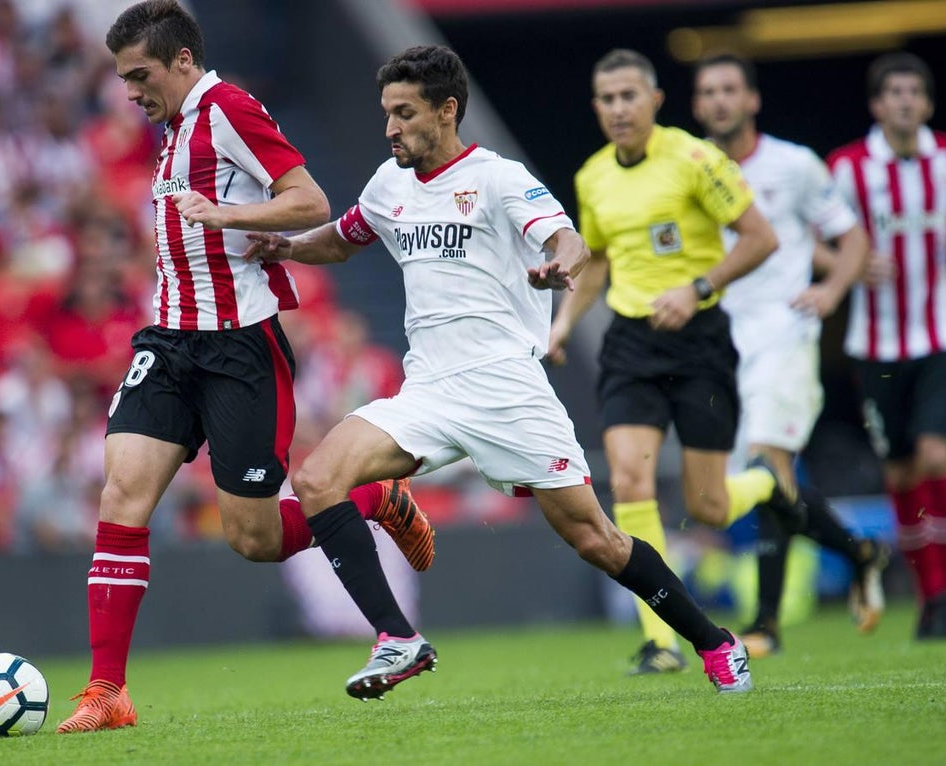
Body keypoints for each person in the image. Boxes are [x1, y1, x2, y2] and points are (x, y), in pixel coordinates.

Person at [246, 44, 753, 698]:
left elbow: (567, 238)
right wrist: (285, 247)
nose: (390, 128)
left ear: (447, 110)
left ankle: (715, 643)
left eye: (404, 114)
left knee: (596, 539)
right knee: (317, 478)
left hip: (507, 392)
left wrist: (560, 263)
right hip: (426, 390)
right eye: (386, 114)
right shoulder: (388, 184)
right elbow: (344, 239)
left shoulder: (497, 178)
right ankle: (398, 638)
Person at [56, 0, 436, 733]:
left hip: (239, 348)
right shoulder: (170, 131)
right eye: (124, 79)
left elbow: (310, 200)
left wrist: (232, 217)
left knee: (254, 539)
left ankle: (371, 502)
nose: (130, 91)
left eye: (140, 75)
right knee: (120, 496)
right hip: (168, 343)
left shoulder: (227, 107)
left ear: (183, 63)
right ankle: (107, 693)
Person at [548, 48, 790, 675]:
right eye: (607, 98)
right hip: (632, 344)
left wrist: (697, 290)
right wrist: (563, 323)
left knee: (707, 505)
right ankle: (661, 641)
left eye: (630, 96)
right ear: (596, 107)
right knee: (628, 479)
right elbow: (596, 258)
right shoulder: (593, 176)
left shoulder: (695, 159)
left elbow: (762, 238)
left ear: (655, 100)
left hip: (701, 339)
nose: (619, 109)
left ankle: (764, 481)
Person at [690, 53, 892, 657]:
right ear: (697, 105)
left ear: (752, 99)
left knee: (767, 467)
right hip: (719, 344)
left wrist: (830, 289)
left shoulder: (795, 164)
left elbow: (850, 236)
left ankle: (766, 624)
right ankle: (861, 551)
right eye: (708, 92)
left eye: (730, 88)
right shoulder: (689, 165)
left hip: (784, 332)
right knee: (730, 491)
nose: (720, 100)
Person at [827, 52, 946, 640]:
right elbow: (810, 242)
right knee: (900, 474)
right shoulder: (847, 168)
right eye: (893, 92)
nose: (904, 101)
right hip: (873, 345)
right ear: (877, 104)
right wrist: (848, 265)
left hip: (940, 335)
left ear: (926, 103)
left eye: (914, 92)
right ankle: (931, 597)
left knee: (936, 458)